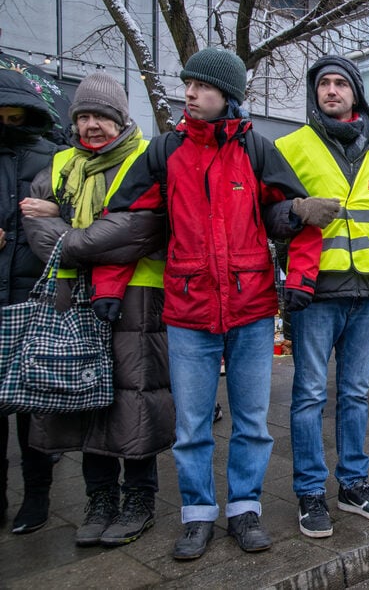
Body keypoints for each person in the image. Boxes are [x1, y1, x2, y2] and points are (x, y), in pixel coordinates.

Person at [92, 48, 323, 560]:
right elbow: (124, 222)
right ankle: (197, 516)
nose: (190, 93)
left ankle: (245, 509)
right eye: (188, 84)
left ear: (227, 95)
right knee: (192, 425)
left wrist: (302, 279)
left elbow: (301, 216)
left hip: (251, 309)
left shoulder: (257, 150)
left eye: (201, 86)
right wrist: (108, 287)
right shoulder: (163, 151)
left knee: (253, 422)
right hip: (188, 311)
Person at [21, 72, 172, 547]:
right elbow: (34, 228)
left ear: (121, 119)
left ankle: (140, 498)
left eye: (101, 117)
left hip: (139, 299)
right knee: (83, 397)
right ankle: (100, 496)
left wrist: (66, 230)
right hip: (73, 298)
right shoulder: (60, 163)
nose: (91, 126)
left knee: (136, 398)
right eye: (83, 116)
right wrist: (89, 237)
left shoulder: (145, 160)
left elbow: (139, 230)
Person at [274, 55, 369, 536]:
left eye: (340, 84)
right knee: (307, 395)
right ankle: (309, 492)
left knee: (354, 395)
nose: (331, 90)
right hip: (316, 293)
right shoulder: (291, 145)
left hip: (367, 294)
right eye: (323, 83)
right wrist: (297, 210)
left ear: (356, 93)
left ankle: (353, 484)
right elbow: (270, 213)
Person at [0, 69, 57, 533]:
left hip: (34, 294)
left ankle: (37, 496)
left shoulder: (51, 158)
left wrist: (56, 213)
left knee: (35, 403)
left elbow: (81, 215)